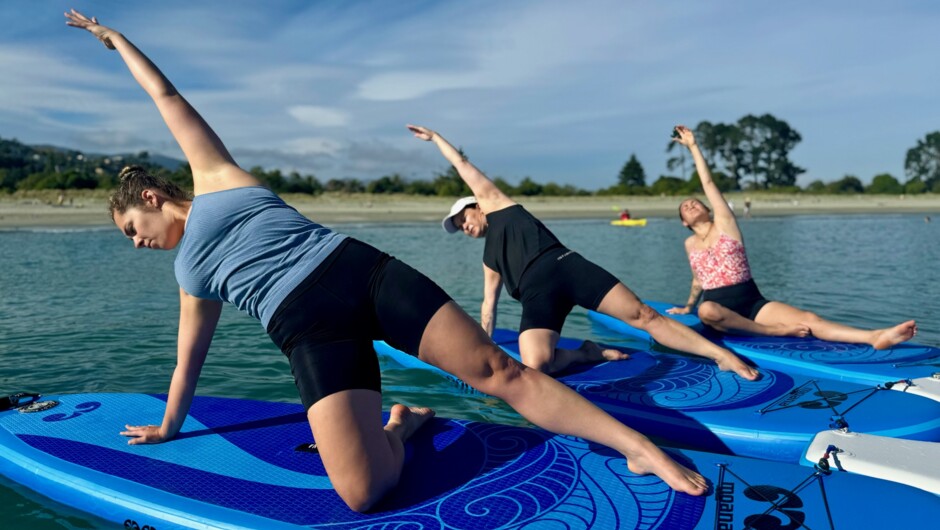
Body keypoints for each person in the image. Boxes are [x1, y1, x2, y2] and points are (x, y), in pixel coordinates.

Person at [65, 9, 709, 510]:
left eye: (130, 227)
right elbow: (189, 359)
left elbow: (168, 98)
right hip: (310, 332)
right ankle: (400, 425)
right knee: (361, 492)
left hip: (359, 271)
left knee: (498, 371)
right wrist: (170, 427)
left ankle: (640, 447)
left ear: (150, 198)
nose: (135, 241)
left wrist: (115, 39)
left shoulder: (216, 176)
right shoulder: (190, 274)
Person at [407, 124, 758, 381]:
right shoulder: (489, 260)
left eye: (462, 219)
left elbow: (462, 166)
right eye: (458, 228)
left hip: (567, 266)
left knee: (644, 316)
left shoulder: (498, 204)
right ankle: (585, 353)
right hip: (537, 296)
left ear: (476, 205)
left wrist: (436, 139)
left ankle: (720, 355)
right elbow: (488, 307)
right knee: (536, 367)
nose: (463, 227)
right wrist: (484, 348)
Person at [668, 125, 917, 349]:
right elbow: (698, 280)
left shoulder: (725, 224)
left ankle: (873, 336)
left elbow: (709, 183)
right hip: (718, 309)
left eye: (695, 203)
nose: (691, 205)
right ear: (683, 222)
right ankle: (773, 332)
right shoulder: (689, 244)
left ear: (708, 209)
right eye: (685, 207)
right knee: (707, 310)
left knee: (808, 319)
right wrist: (687, 307)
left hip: (751, 301)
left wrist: (693, 146)